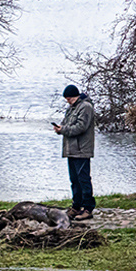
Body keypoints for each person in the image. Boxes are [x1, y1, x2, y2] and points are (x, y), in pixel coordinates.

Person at [52, 83, 96, 219]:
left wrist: (63, 130)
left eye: (69, 99)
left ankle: (88, 208)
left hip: (82, 150)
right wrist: (60, 128)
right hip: (71, 149)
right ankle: (76, 206)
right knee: (74, 180)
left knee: (83, 179)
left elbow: (81, 127)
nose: (67, 101)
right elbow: (67, 124)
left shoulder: (86, 107)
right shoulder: (72, 108)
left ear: (74, 96)